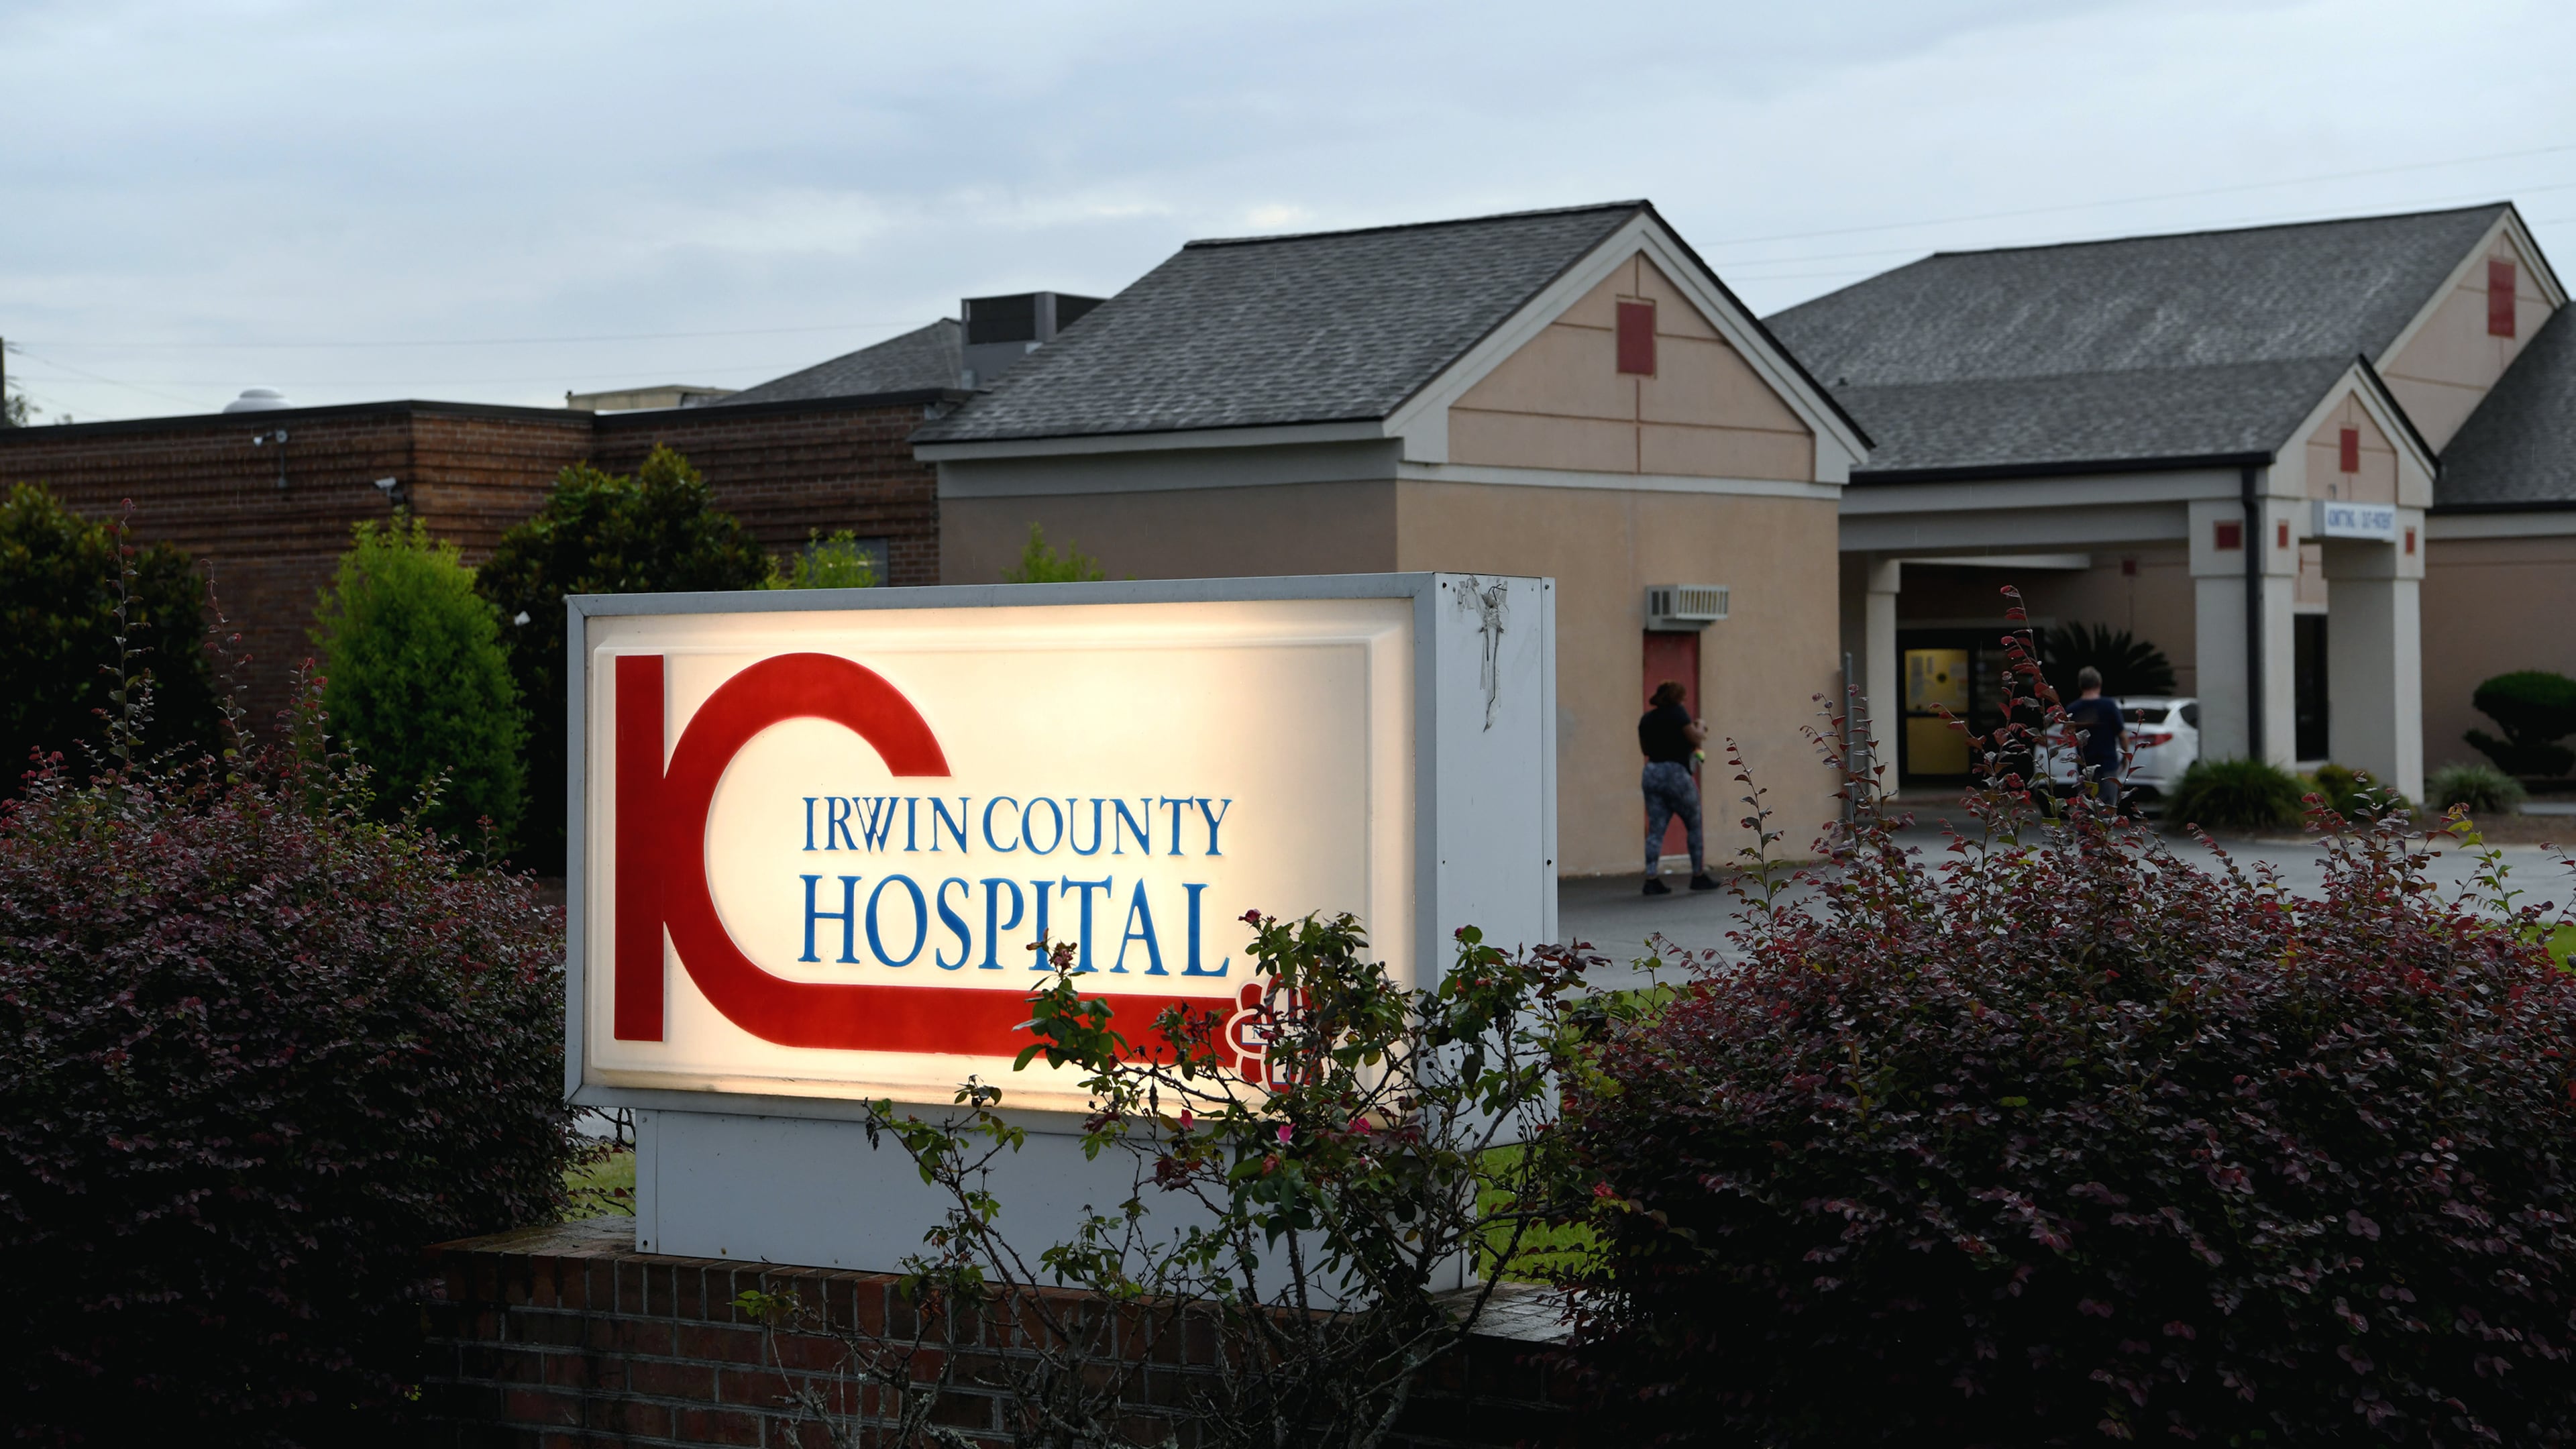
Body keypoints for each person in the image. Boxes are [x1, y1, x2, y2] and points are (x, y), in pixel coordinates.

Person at [1638, 681, 1719, 896]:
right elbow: (1696, 738)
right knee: (1694, 823)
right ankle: (1698, 875)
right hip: (1676, 774)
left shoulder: (1646, 719)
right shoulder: (1678, 713)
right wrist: (1701, 725)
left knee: (1655, 829)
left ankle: (1651, 879)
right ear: (1677, 698)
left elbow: (1645, 749)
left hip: (1652, 772)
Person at [2063, 665, 2127, 813]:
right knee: (2107, 809)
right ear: (2099, 684)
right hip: (2107, 765)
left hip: (2085, 766)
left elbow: (2068, 736)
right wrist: (2125, 758)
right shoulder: (2109, 706)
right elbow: (2123, 736)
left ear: (2081, 685)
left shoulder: (2073, 709)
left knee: (2085, 809)